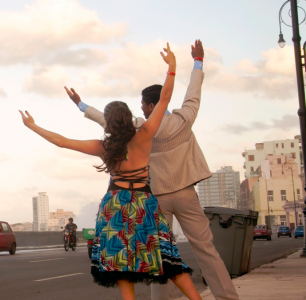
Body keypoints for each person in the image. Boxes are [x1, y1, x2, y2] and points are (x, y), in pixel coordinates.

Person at [20, 43, 201, 300]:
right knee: (166, 257)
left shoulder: (104, 147)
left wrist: (33, 126)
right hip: (144, 203)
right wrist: (172, 66)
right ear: (128, 117)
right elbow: (165, 98)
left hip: (114, 206)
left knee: (120, 265)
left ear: (110, 122)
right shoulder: (145, 135)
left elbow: (61, 141)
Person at [67, 40, 238, 300]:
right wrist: (198, 62)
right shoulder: (184, 118)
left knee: (157, 256)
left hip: (155, 198)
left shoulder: (140, 129)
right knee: (207, 250)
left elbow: (110, 120)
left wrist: (81, 106)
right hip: (186, 194)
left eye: (143, 105)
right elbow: (194, 92)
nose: (142, 109)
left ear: (149, 106)